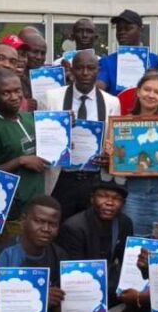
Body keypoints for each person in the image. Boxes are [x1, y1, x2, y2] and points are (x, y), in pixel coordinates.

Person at [38, 50, 121, 218]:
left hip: (95, 180)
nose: (85, 73)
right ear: (72, 70)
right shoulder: (51, 98)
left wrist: (110, 158)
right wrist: (61, 131)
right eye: (80, 68)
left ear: (98, 70)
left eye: (90, 68)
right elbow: (41, 141)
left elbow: (115, 143)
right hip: (61, 178)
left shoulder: (112, 102)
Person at [0, 69, 48, 236]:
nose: (14, 97)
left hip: (36, 199)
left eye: (17, 91)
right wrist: (19, 161)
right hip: (13, 207)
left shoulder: (29, 118)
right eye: (6, 93)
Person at [111, 72, 158, 236]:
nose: (151, 95)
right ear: (138, 92)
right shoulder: (122, 123)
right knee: (132, 242)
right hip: (133, 193)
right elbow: (118, 160)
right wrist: (112, 153)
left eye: (157, 92)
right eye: (147, 89)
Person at [57, 178, 134, 300]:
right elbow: (74, 272)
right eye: (103, 196)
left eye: (116, 198)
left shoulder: (124, 223)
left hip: (109, 281)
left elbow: (127, 262)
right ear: (92, 199)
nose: (110, 202)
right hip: (80, 285)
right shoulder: (74, 227)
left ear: (123, 204)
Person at [98, 9, 158, 94]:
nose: (122, 32)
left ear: (140, 29)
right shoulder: (106, 62)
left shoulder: (155, 61)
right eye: (119, 29)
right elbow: (100, 87)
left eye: (128, 28)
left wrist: (156, 79)